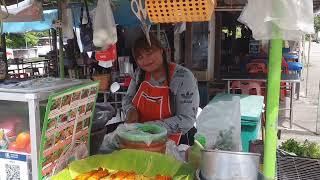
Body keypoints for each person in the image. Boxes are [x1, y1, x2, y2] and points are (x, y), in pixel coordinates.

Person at [121, 33, 199, 145]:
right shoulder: (139, 74)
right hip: (139, 140)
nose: (146, 60)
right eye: (140, 57)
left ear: (161, 50)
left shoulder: (183, 77)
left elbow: (187, 119)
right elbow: (128, 99)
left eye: (149, 53)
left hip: (172, 144)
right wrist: (130, 110)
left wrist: (149, 128)